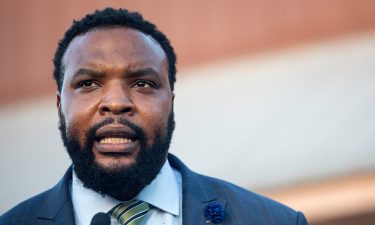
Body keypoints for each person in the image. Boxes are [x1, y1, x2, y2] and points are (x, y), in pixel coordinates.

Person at [0, 8, 308, 225]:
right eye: (88, 83)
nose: (116, 103)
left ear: (171, 105)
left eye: (142, 83)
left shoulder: (271, 220)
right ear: (60, 108)